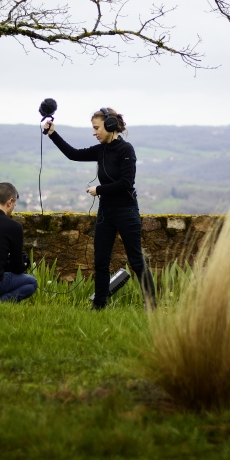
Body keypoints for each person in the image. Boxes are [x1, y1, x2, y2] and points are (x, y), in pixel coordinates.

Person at [44, 108, 156, 310]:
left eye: (97, 128)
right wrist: (52, 133)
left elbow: (126, 183)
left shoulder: (126, 150)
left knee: (136, 261)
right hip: (106, 213)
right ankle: (99, 306)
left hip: (127, 211)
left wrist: (99, 190)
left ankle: (151, 306)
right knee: (101, 262)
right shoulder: (101, 150)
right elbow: (73, 154)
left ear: (110, 125)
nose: (94, 132)